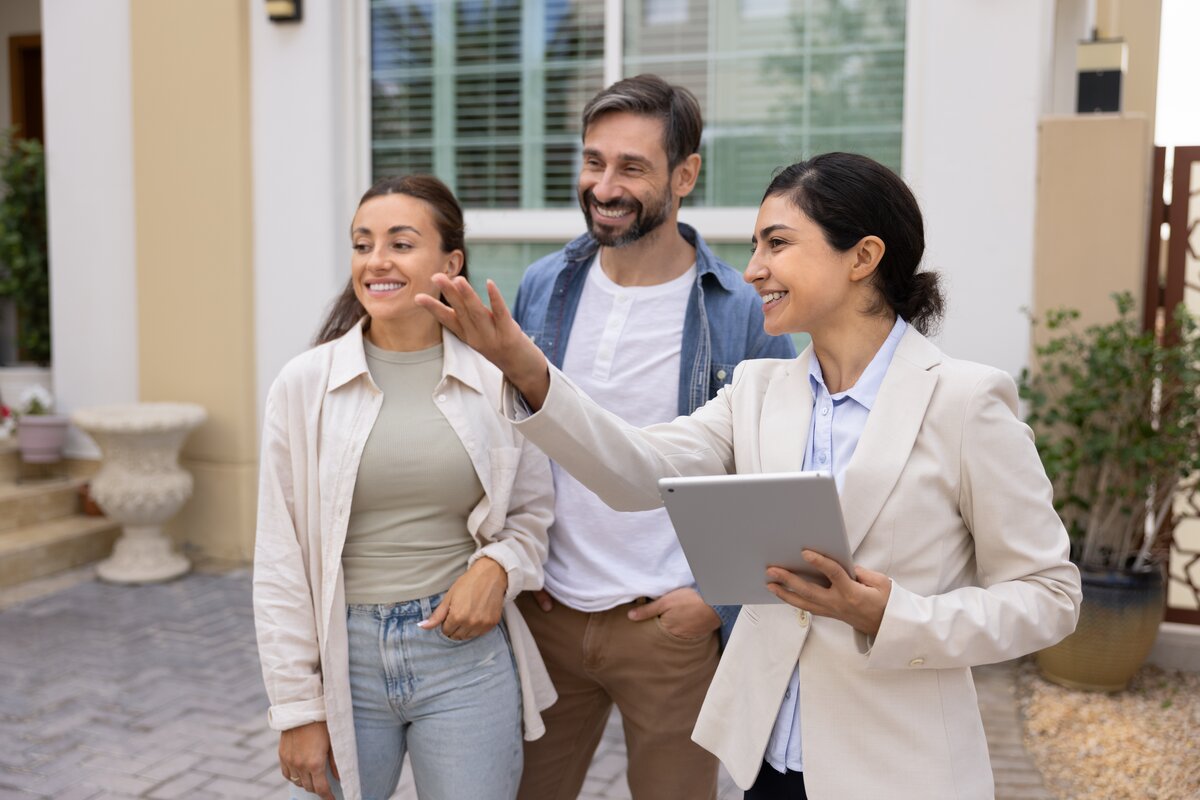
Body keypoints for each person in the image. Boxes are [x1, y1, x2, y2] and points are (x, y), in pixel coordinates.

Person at [416, 152, 1083, 799]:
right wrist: (526, 368)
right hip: (769, 763)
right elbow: (633, 472)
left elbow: (1049, 595)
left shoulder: (965, 402)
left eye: (777, 243)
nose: (753, 268)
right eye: (756, 244)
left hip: (898, 768)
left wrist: (891, 615)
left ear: (863, 257)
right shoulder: (760, 391)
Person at [505, 73, 795, 800]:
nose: (604, 186)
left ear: (685, 174)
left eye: (632, 167)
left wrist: (715, 598)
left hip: (668, 630)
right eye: (594, 161)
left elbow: (773, 469)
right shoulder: (545, 285)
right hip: (550, 614)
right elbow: (512, 440)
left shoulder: (738, 311)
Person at [252, 175, 556, 800]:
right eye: (362, 244)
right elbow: (279, 561)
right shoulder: (303, 385)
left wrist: (497, 567)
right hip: (345, 658)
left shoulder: (498, 378)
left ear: (451, 261)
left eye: (400, 242)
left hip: (463, 655)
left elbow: (532, 516)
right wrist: (297, 709)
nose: (376, 261)